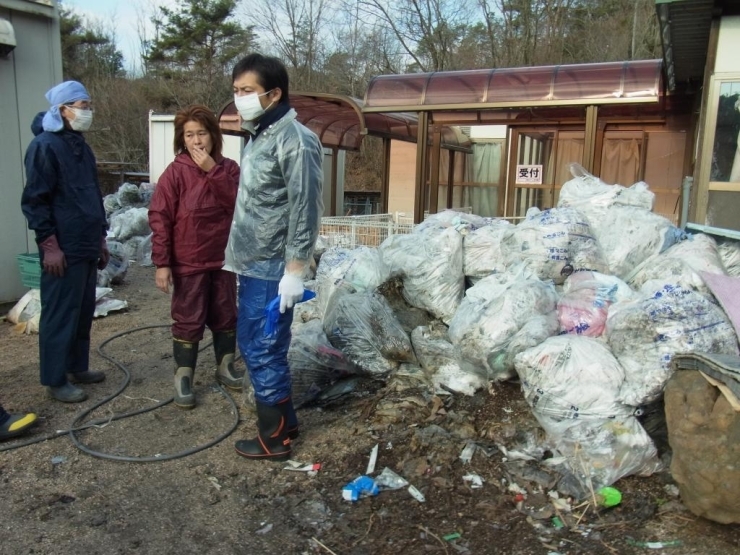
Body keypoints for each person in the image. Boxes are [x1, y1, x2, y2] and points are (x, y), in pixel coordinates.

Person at [226, 53, 324, 461]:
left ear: (274, 93)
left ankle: (274, 437)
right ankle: (286, 420)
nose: (239, 99)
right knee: (256, 343)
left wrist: (295, 271)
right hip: (251, 260)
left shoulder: (295, 139)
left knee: (261, 345)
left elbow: (305, 208)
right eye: (235, 91)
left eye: (246, 91)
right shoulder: (260, 135)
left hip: (273, 266)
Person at [148, 105, 241, 409]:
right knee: (188, 318)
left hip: (224, 258)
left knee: (226, 313)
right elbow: (160, 217)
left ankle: (226, 367)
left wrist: (212, 170)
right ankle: (183, 376)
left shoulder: (229, 169)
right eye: (189, 134)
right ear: (182, 139)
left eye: (202, 133)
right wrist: (162, 263)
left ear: (213, 136)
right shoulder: (174, 173)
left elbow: (239, 204)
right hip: (188, 260)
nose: (197, 140)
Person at [21, 81, 109, 403]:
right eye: (82, 105)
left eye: (88, 105)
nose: (87, 111)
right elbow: (35, 200)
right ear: (62, 109)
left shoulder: (81, 147)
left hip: (86, 242)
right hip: (63, 245)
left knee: (83, 309)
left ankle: (76, 366)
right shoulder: (44, 146)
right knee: (60, 313)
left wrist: (101, 237)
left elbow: (93, 194)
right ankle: (55, 379)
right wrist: (49, 245)